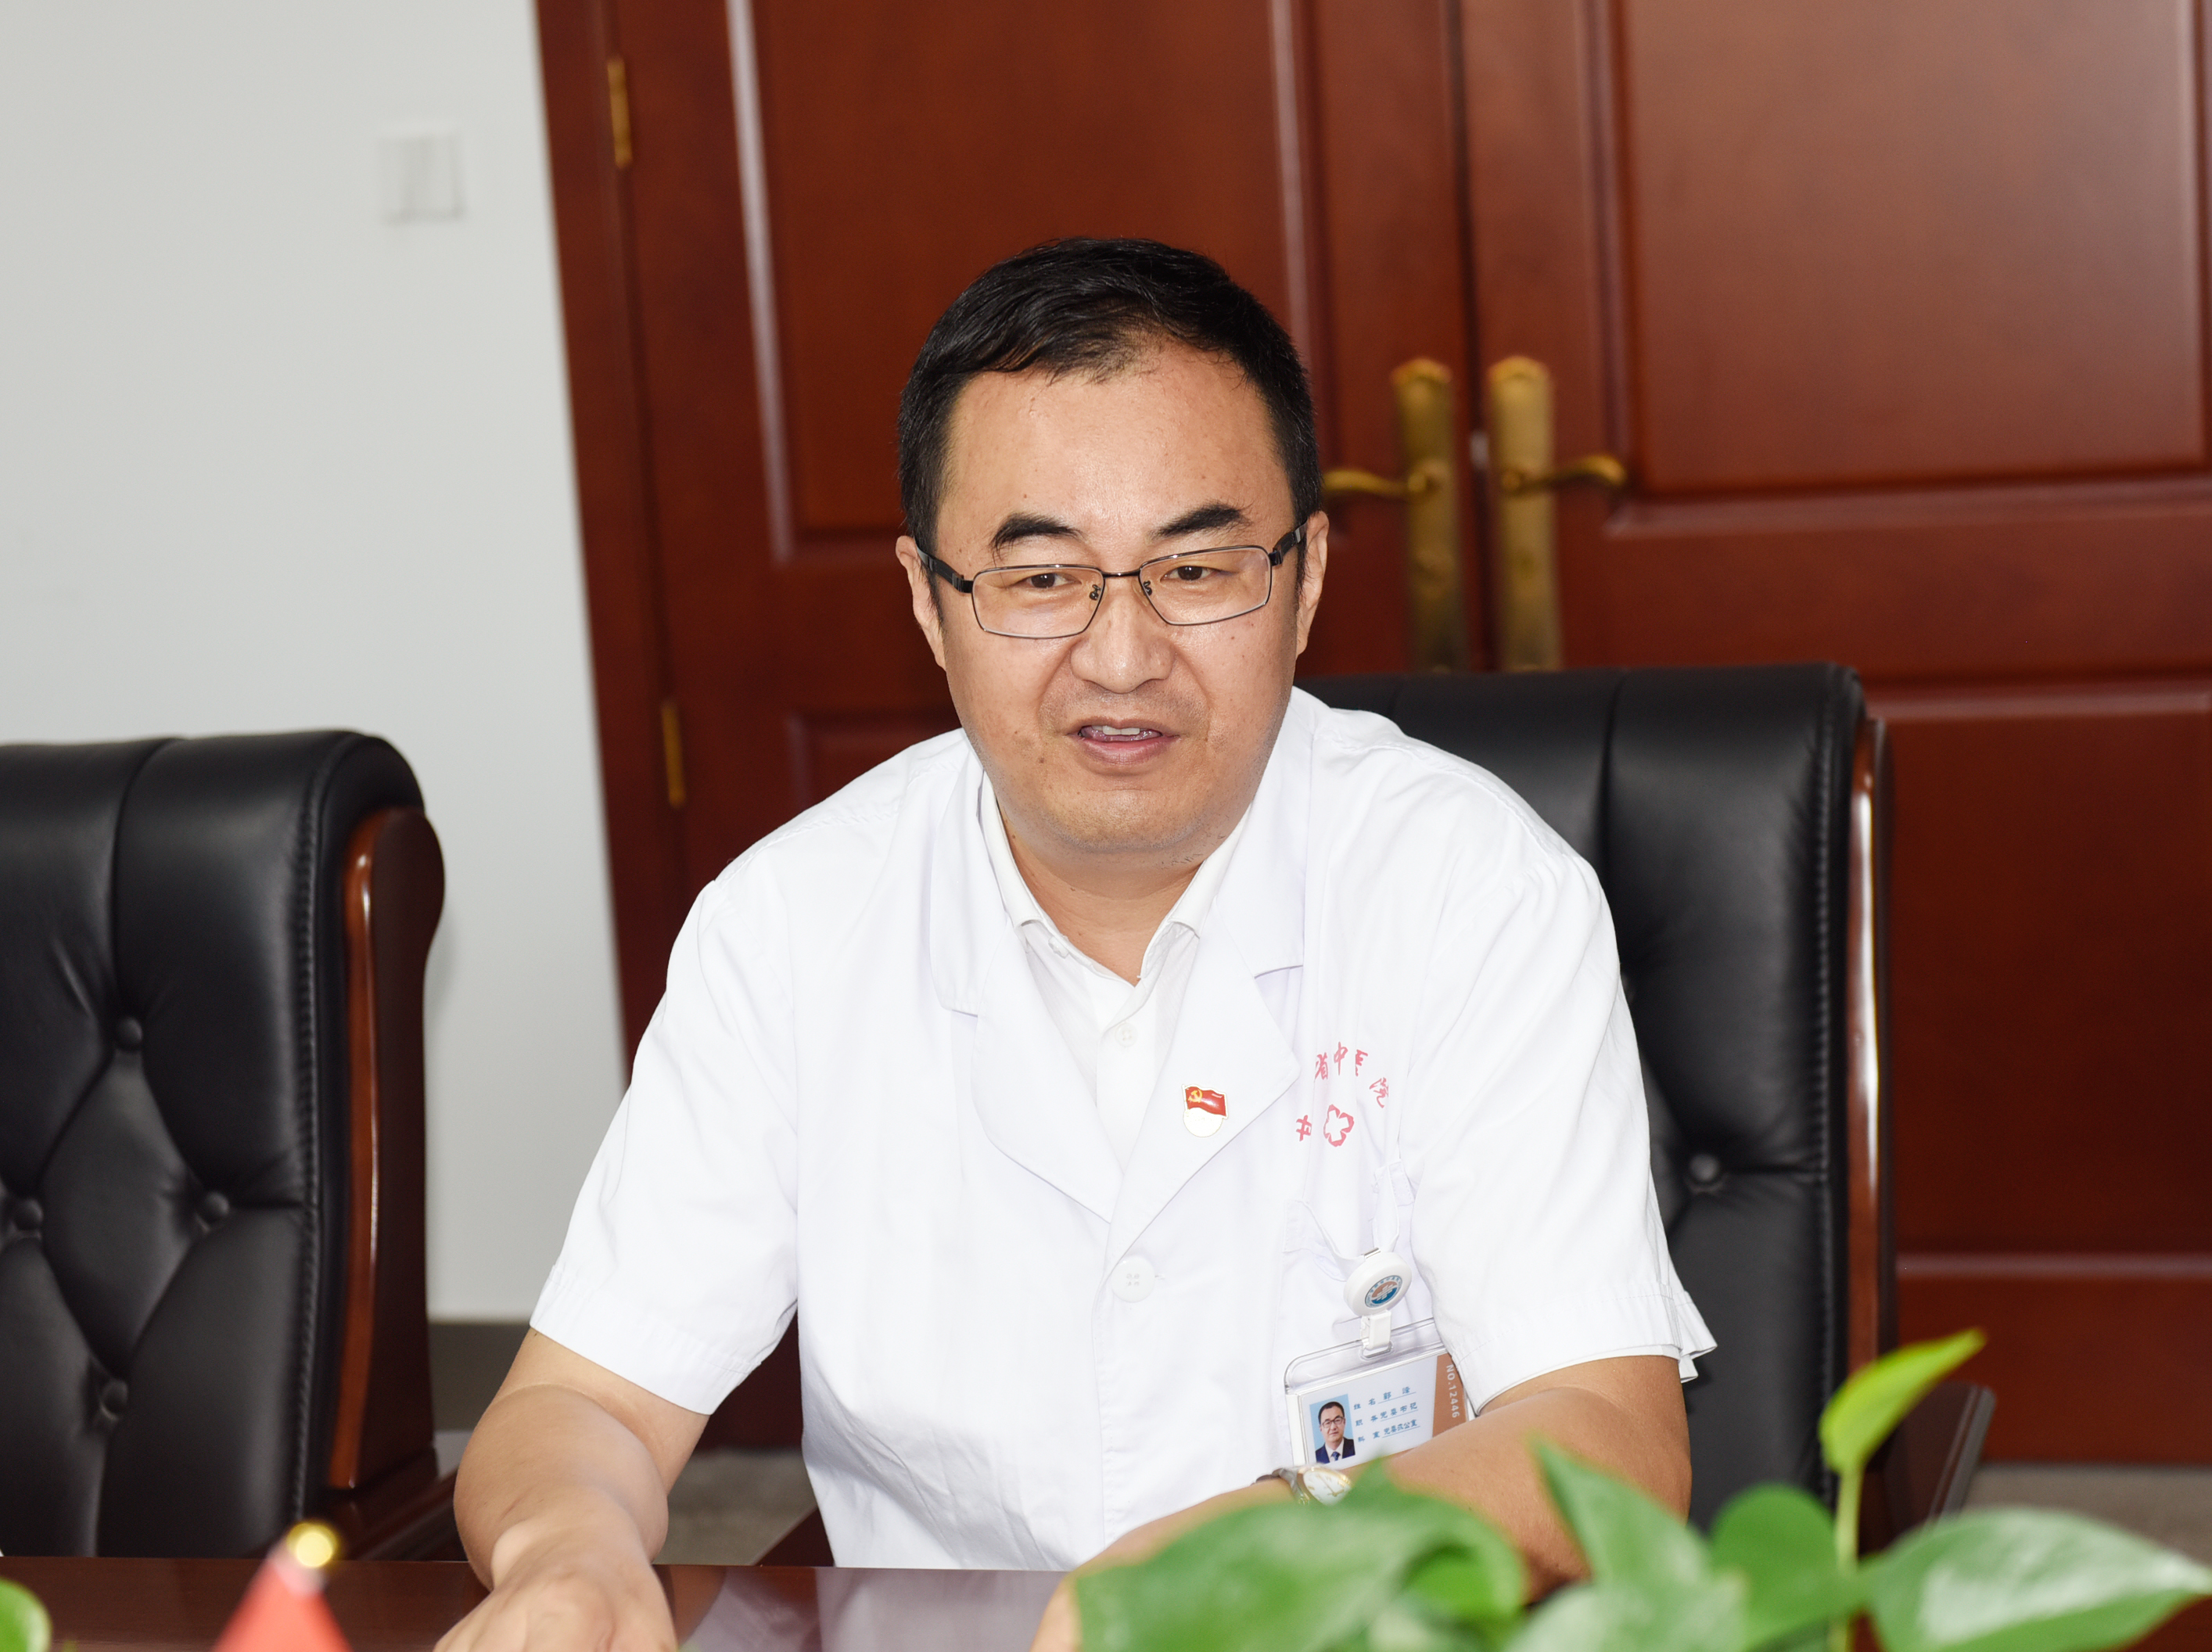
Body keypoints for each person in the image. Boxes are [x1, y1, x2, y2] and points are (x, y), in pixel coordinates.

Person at [440, 238, 1711, 1652]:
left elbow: (1605, 1437)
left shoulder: (1471, 892)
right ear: (929, 601)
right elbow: (585, 1402)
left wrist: (1269, 1548)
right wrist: (567, 1553)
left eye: (1196, 566)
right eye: (1041, 577)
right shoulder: (791, 925)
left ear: (1303, 583)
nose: (1120, 655)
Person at [1315, 1401, 1356, 1465]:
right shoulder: (1315, 1458)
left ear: (1344, 1422)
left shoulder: (1356, 1446)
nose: (1333, 1427)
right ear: (1321, 1428)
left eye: (1337, 1420)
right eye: (1327, 1423)